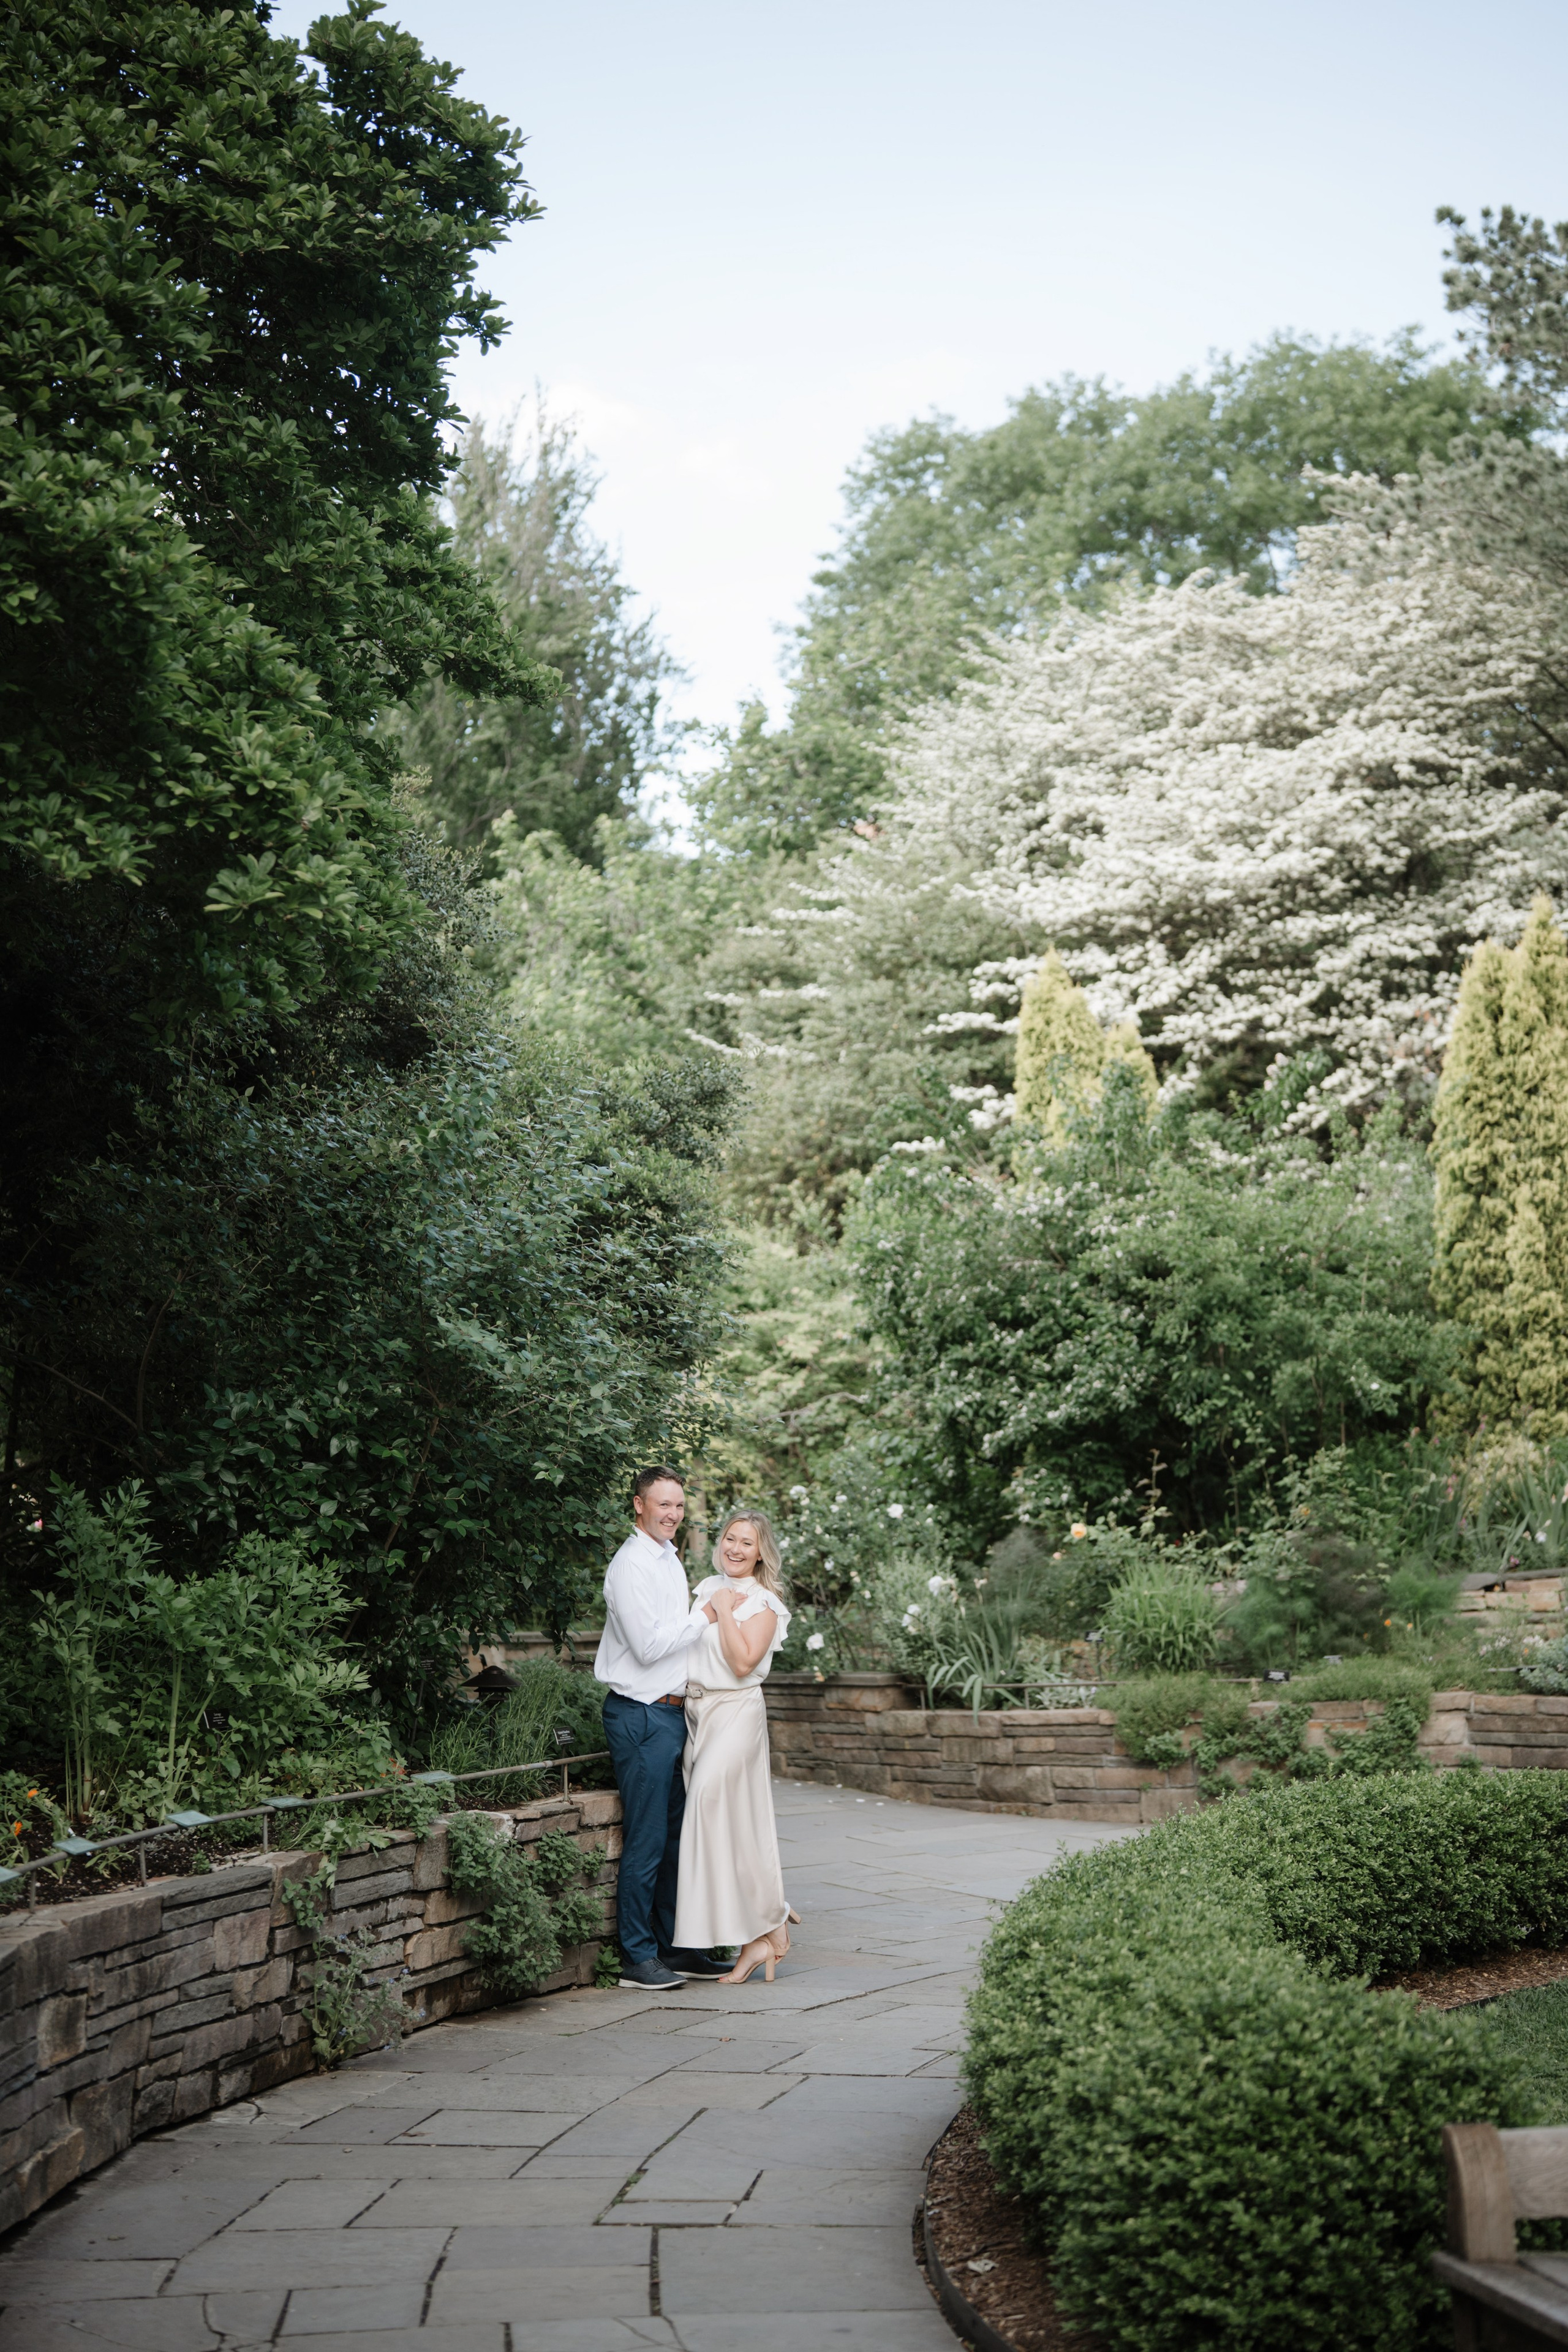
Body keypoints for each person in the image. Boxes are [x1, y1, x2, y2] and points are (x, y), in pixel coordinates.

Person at [595, 1468, 733, 1989]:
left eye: (678, 1505)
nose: (672, 1514)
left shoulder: (668, 1558)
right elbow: (650, 1646)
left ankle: (677, 1948)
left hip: (671, 1713)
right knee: (648, 1839)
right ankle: (637, 1957)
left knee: (677, 1839)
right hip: (642, 1715)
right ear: (639, 1505)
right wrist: (707, 1616)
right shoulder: (631, 1565)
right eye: (662, 1505)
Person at [674, 1506, 797, 1986]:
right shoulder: (705, 1586)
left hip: (737, 1711)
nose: (734, 1548)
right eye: (729, 1538)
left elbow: (743, 1662)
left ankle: (773, 1916)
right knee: (730, 1825)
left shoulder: (763, 1605)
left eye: (746, 1542)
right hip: (698, 1713)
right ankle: (758, 1939)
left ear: (761, 1552)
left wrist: (726, 1609)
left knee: (708, 1805)